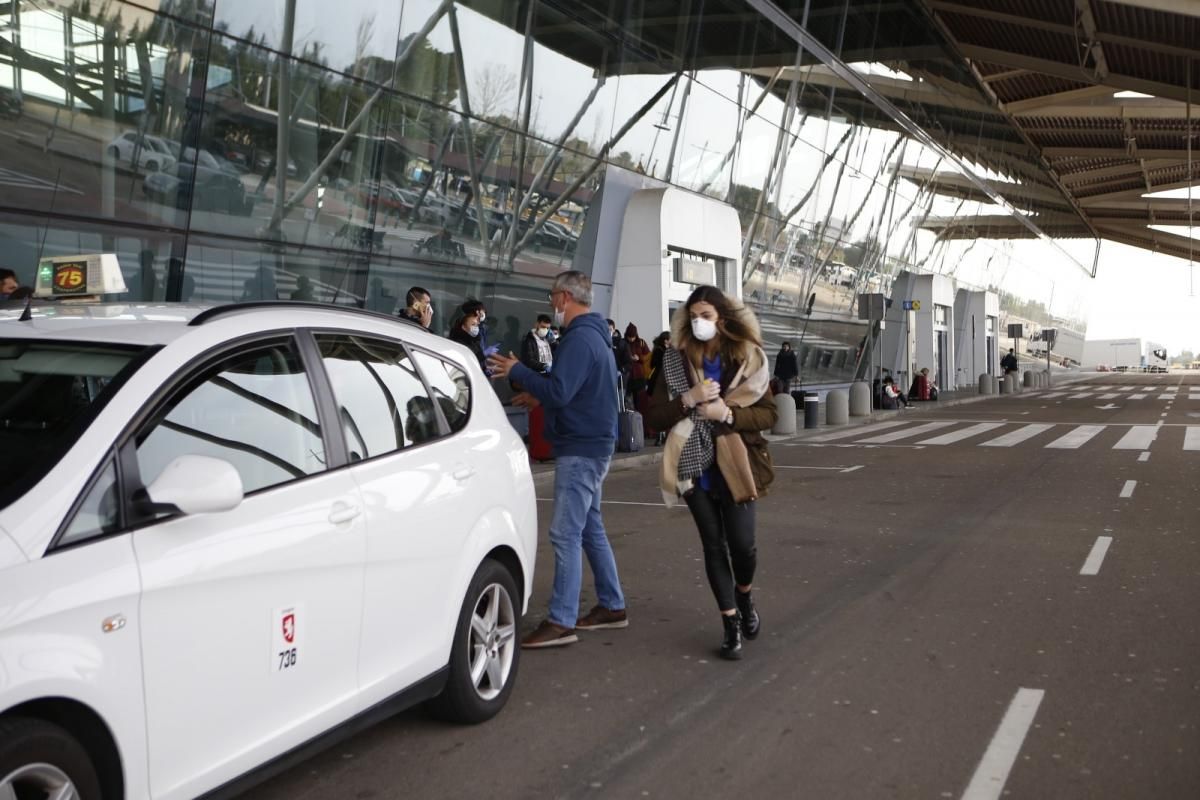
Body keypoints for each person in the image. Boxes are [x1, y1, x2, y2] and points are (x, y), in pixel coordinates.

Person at [487, 271, 627, 649]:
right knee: (588, 528)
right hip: (593, 443)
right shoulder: (595, 336)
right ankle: (612, 606)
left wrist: (519, 372)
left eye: (553, 297)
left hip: (581, 448)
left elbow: (562, 391)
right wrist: (539, 393)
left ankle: (561, 620)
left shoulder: (580, 339)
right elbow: (572, 389)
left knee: (566, 533)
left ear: (565, 298)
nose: (552, 305)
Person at [645, 285, 778, 660]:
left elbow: (770, 414)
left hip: (737, 464)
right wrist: (688, 399)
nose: (699, 323)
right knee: (713, 545)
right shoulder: (674, 360)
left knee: (743, 545)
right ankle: (730, 624)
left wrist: (728, 415)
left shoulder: (747, 357)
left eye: (706, 315)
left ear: (722, 318)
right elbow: (653, 415)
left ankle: (745, 596)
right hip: (693, 468)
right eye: (693, 316)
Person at [449, 300, 488, 372]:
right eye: (476, 317)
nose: (478, 322)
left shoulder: (474, 340)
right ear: (463, 318)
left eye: (480, 320)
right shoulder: (457, 343)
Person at [624, 323, 651, 397]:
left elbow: (648, 357)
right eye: (630, 337)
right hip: (627, 376)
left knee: (640, 399)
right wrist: (628, 358)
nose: (632, 339)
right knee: (627, 400)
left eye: (633, 337)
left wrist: (639, 358)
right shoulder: (623, 343)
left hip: (640, 376)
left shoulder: (641, 342)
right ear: (626, 335)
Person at [608, 318, 632, 389]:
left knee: (619, 399)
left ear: (614, 330)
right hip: (604, 381)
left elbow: (629, 363)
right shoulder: (599, 343)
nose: (608, 332)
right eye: (605, 330)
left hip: (619, 381)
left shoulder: (622, 344)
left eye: (610, 330)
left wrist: (620, 370)